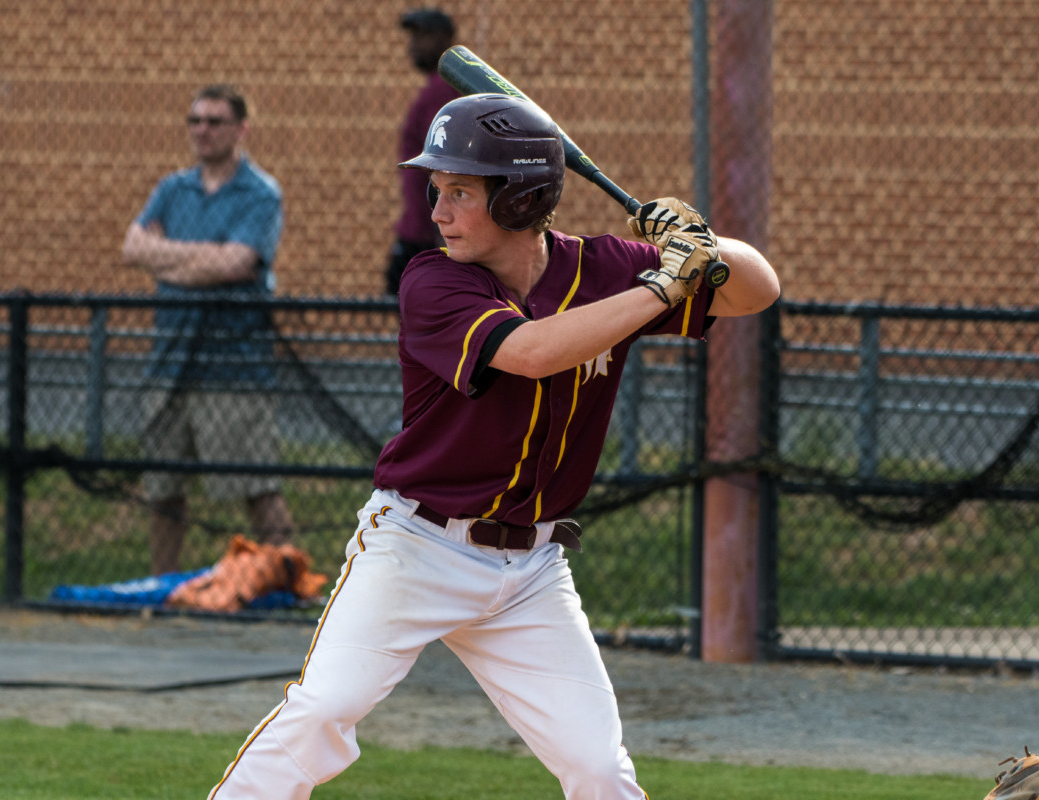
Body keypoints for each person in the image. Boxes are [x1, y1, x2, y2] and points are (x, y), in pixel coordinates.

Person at [206, 94, 780, 799]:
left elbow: (758, 289)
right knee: (323, 712)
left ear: (519, 201)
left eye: (460, 193)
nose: (438, 211)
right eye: (437, 190)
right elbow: (534, 352)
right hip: (418, 547)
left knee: (599, 767)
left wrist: (703, 245)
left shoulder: (603, 270)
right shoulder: (434, 279)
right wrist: (667, 282)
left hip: (532, 569)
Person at [121, 83, 294, 576]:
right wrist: (204, 260)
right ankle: (164, 583)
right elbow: (132, 247)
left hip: (233, 365)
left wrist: (167, 258)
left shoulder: (260, 193)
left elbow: (239, 263)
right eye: (195, 120)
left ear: (241, 128)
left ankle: (291, 581)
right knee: (164, 489)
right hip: (170, 361)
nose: (202, 130)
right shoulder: (172, 188)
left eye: (215, 121)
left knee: (256, 484)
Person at [384, 7, 460, 295]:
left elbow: (442, 163)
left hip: (427, 234)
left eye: (423, 35)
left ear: (445, 39)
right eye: (412, 36)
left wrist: (441, 237)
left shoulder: (442, 91)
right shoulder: (439, 87)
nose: (413, 44)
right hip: (424, 229)